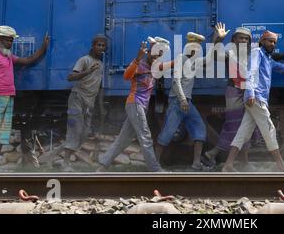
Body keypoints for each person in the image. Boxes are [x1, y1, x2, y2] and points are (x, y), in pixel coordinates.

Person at [204, 23, 284, 166]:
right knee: (233, 126)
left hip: (248, 93)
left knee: (244, 130)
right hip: (236, 92)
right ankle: (216, 154)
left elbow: (274, 59)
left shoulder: (254, 53)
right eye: (240, 38)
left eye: (246, 39)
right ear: (234, 40)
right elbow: (215, 55)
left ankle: (236, 162)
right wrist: (218, 40)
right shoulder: (229, 54)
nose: (243, 41)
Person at [97, 38, 171, 172]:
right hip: (135, 103)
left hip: (140, 106)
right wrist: (137, 59)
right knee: (145, 136)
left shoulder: (154, 65)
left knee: (123, 139)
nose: (157, 58)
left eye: (160, 56)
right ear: (149, 52)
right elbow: (126, 76)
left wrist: (184, 58)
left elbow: (166, 66)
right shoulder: (139, 64)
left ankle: (102, 165)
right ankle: (155, 169)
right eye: (156, 55)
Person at [0, 25, 49, 169]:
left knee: (1, 134)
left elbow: (28, 60)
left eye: (11, 40)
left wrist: (44, 47)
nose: (10, 43)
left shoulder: (8, 56)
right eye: (7, 40)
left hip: (7, 96)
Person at [154, 32, 210, 171]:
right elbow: (176, 81)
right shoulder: (181, 58)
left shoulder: (194, 61)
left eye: (198, 47)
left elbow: (208, 60)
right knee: (167, 133)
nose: (197, 50)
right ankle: (154, 164)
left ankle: (196, 163)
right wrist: (183, 99)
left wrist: (218, 39)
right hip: (178, 102)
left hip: (186, 102)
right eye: (194, 47)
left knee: (200, 129)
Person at [62, 34, 107, 171]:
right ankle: (65, 163)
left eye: (103, 45)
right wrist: (87, 71)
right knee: (75, 129)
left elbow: (99, 87)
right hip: (77, 98)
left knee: (85, 132)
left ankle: (56, 156)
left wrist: (101, 107)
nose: (100, 47)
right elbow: (70, 77)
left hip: (89, 102)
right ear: (93, 46)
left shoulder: (102, 65)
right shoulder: (84, 60)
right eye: (98, 44)